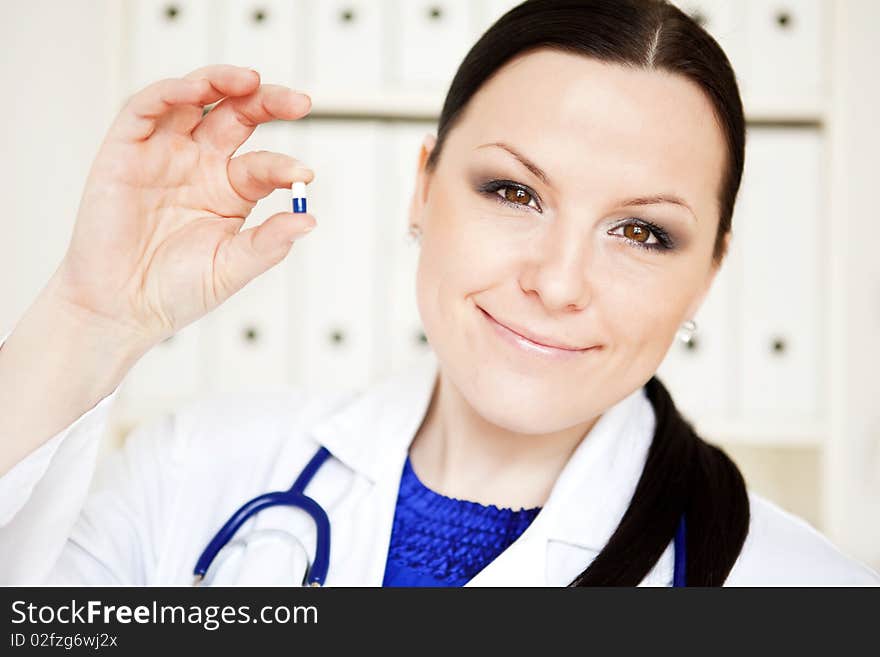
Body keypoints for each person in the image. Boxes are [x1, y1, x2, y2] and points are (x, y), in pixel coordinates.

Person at [1, 0, 877, 587]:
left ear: (710, 272)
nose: (558, 282)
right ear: (423, 187)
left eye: (642, 232)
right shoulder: (194, 470)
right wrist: (91, 317)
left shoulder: (796, 583)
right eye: (514, 192)